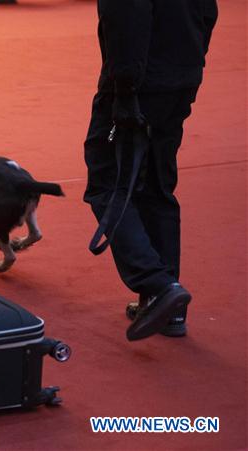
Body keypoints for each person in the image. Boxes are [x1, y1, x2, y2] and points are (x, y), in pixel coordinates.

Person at [83, 0, 218, 341]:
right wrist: (191, 63)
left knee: (108, 184)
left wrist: (125, 90)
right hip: (181, 77)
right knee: (157, 186)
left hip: (142, 83)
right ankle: (168, 305)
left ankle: (158, 286)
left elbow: (125, 16)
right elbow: (207, 12)